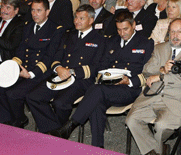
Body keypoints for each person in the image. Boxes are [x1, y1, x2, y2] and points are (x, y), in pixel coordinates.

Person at [50, 11, 154, 148]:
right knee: (96, 102)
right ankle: (97, 147)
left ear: (134, 25)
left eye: (125, 29)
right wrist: (104, 76)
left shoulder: (146, 43)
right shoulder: (111, 41)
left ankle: (71, 125)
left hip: (129, 88)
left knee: (96, 92)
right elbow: (101, 65)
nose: (122, 33)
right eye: (119, 29)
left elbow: (149, 72)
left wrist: (129, 81)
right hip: (108, 85)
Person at [24, 4, 106, 134]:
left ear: (91, 20)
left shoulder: (100, 40)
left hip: (80, 80)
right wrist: (58, 68)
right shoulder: (68, 35)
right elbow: (56, 56)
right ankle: (56, 130)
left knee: (60, 103)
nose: (76, 21)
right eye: (76, 17)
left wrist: (71, 72)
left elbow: (98, 66)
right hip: (60, 74)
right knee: (32, 97)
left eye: (81, 18)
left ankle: (55, 132)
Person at [125, 19, 181, 155]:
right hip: (152, 96)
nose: (175, 35)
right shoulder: (160, 48)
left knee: (161, 126)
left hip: (176, 100)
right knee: (131, 120)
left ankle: (156, 150)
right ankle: (158, 151)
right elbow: (146, 69)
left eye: (180, 31)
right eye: (172, 31)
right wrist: (162, 69)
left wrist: (161, 77)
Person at [0, 0, 64, 128]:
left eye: (39, 11)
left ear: (47, 12)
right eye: (33, 10)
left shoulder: (55, 29)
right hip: (23, 68)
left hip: (40, 73)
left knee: (13, 94)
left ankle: (19, 121)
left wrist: (31, 74)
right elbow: (21, 50)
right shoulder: (28, 26)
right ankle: (6, 122)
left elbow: (49, 57)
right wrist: (14, 67)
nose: (35, 14)